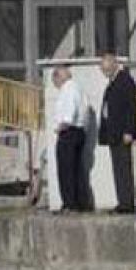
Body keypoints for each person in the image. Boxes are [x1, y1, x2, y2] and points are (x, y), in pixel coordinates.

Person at [97, 49, 136, 213]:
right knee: (117, 169)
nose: (104, 72)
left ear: (114, 65)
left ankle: (127, 203)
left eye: (106, 69)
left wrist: (129, 130)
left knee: (123, 168)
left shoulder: (125, 80)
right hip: (113, 134)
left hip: (122, 133)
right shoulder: (113, 82)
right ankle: (122, 201)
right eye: (103, 70)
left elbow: (132, 107)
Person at [50, 66, 90, 212]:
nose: (55, 85)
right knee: (77, 169)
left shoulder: (67, 89)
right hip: (79, 132)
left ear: (58, 77)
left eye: (55, 81)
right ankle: (80, 202)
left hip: (69, 132)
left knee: (66, 170)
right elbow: (86, 111)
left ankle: (69, 204)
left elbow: (69, 111)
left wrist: (62, 125)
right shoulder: (79, 88)